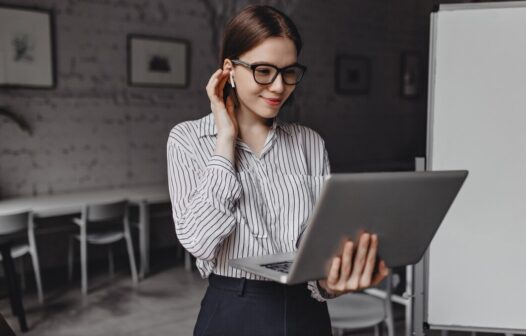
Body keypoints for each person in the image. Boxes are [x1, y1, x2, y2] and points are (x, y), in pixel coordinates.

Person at [167, 5, 389, 336]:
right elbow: (198, 241)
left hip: (306, 310)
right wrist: (225, 140)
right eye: (263, 71)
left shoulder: (309, 143)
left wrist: (332, 284)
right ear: (229, 70)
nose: (278, 87)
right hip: (232, 309)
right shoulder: (187, 139)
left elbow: (319, 245)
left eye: (289, 73)